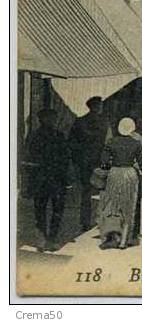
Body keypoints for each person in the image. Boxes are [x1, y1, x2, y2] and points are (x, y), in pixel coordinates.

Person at [97, 118, 142, 249]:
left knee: (112, 205)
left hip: (114, 173)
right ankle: (124, 240)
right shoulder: (136, 143)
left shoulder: (111, 142)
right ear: (132, 128)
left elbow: (103, 161)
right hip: (130, 174)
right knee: (128, 205)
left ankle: (112, 236)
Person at [24, 109, 71, 251]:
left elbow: (65, 157)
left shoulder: (55, 135)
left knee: (50, 209)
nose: (52, 120)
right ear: (42, 119)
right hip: (46, 178)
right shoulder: (38, 136)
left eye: (53, 117)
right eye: (49, 118)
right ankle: (46, 238)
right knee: (45, 209)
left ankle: (48, 238)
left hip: (50, 178)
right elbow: (29, 157)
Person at [68, 96, 109, 232]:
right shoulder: (104, 123)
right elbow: (108, 143)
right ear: (96, 107)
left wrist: (76, 160)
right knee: (102, 191)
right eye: (100, 105)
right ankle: (100, 220)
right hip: (99, 161)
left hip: (83, 162)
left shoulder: (80, 122)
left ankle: (85, 221)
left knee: (86, 192)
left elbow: (71, 143)